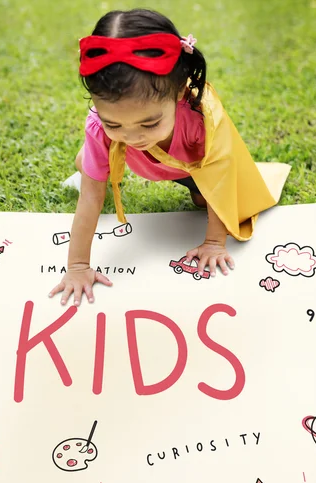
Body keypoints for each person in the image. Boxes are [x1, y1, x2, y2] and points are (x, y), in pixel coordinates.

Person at [49, 8, 277, 306]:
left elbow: (221, 181)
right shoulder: (101, 129)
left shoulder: (200, 122)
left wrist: (213, 243)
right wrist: (77, 267)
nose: (132, 136)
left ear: (180, 93)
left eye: (149, 123)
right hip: (132, 159)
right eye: (114, 122)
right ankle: (88, 161)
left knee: (204, 203)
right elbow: (91, 198)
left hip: (191, 166)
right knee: (93, 173)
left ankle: (93, 161)